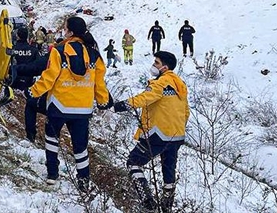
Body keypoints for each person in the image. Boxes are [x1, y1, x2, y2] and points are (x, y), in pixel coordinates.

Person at [27, 16, 111, 191]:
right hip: (83, 109)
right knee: (81, 147)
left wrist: (33, 91)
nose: (63, 31)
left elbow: (49, 78)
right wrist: (102, 102)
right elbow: (99, 83)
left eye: (65, 29)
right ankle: (83, 181)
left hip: (59, 106)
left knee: (52, 139)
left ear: (70, 32)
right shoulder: (94, 54)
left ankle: (52, 175)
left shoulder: (59, 50)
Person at [114, 51, 189, 213]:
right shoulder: (180, 85)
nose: (153, 65)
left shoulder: (160, 82)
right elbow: (186, 111)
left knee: (133, 163)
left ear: (164, 67)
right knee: (168, 171)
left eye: (156, 62)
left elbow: (145, 98)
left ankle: (148, 202)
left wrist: (120, 106)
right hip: (177, 136)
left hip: (157, 135)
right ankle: (166, 207)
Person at [9, 28, 48, 143]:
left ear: (17, 36)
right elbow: (38, 67)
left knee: (30, 106)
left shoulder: (12, 49)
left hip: (14, 80)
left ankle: (31, 136)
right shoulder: (34, 50)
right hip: (28, 81)